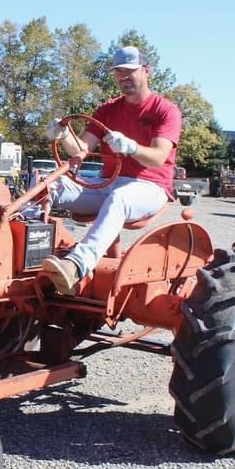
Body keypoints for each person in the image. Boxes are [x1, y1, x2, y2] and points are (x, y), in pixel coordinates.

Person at [40, 46, 182, 294]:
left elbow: (158, 158)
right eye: (119, 72)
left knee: (120, 198)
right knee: (47, 185)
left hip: (150, 187)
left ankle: (76, 265)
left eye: (130, 71)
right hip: (109, 182)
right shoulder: (107, 110)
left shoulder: (165, 110)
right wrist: (63, 135)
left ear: (146, 71)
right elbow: (81, 148)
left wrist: (131, 147)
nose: (124, 77)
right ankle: (24, 252)